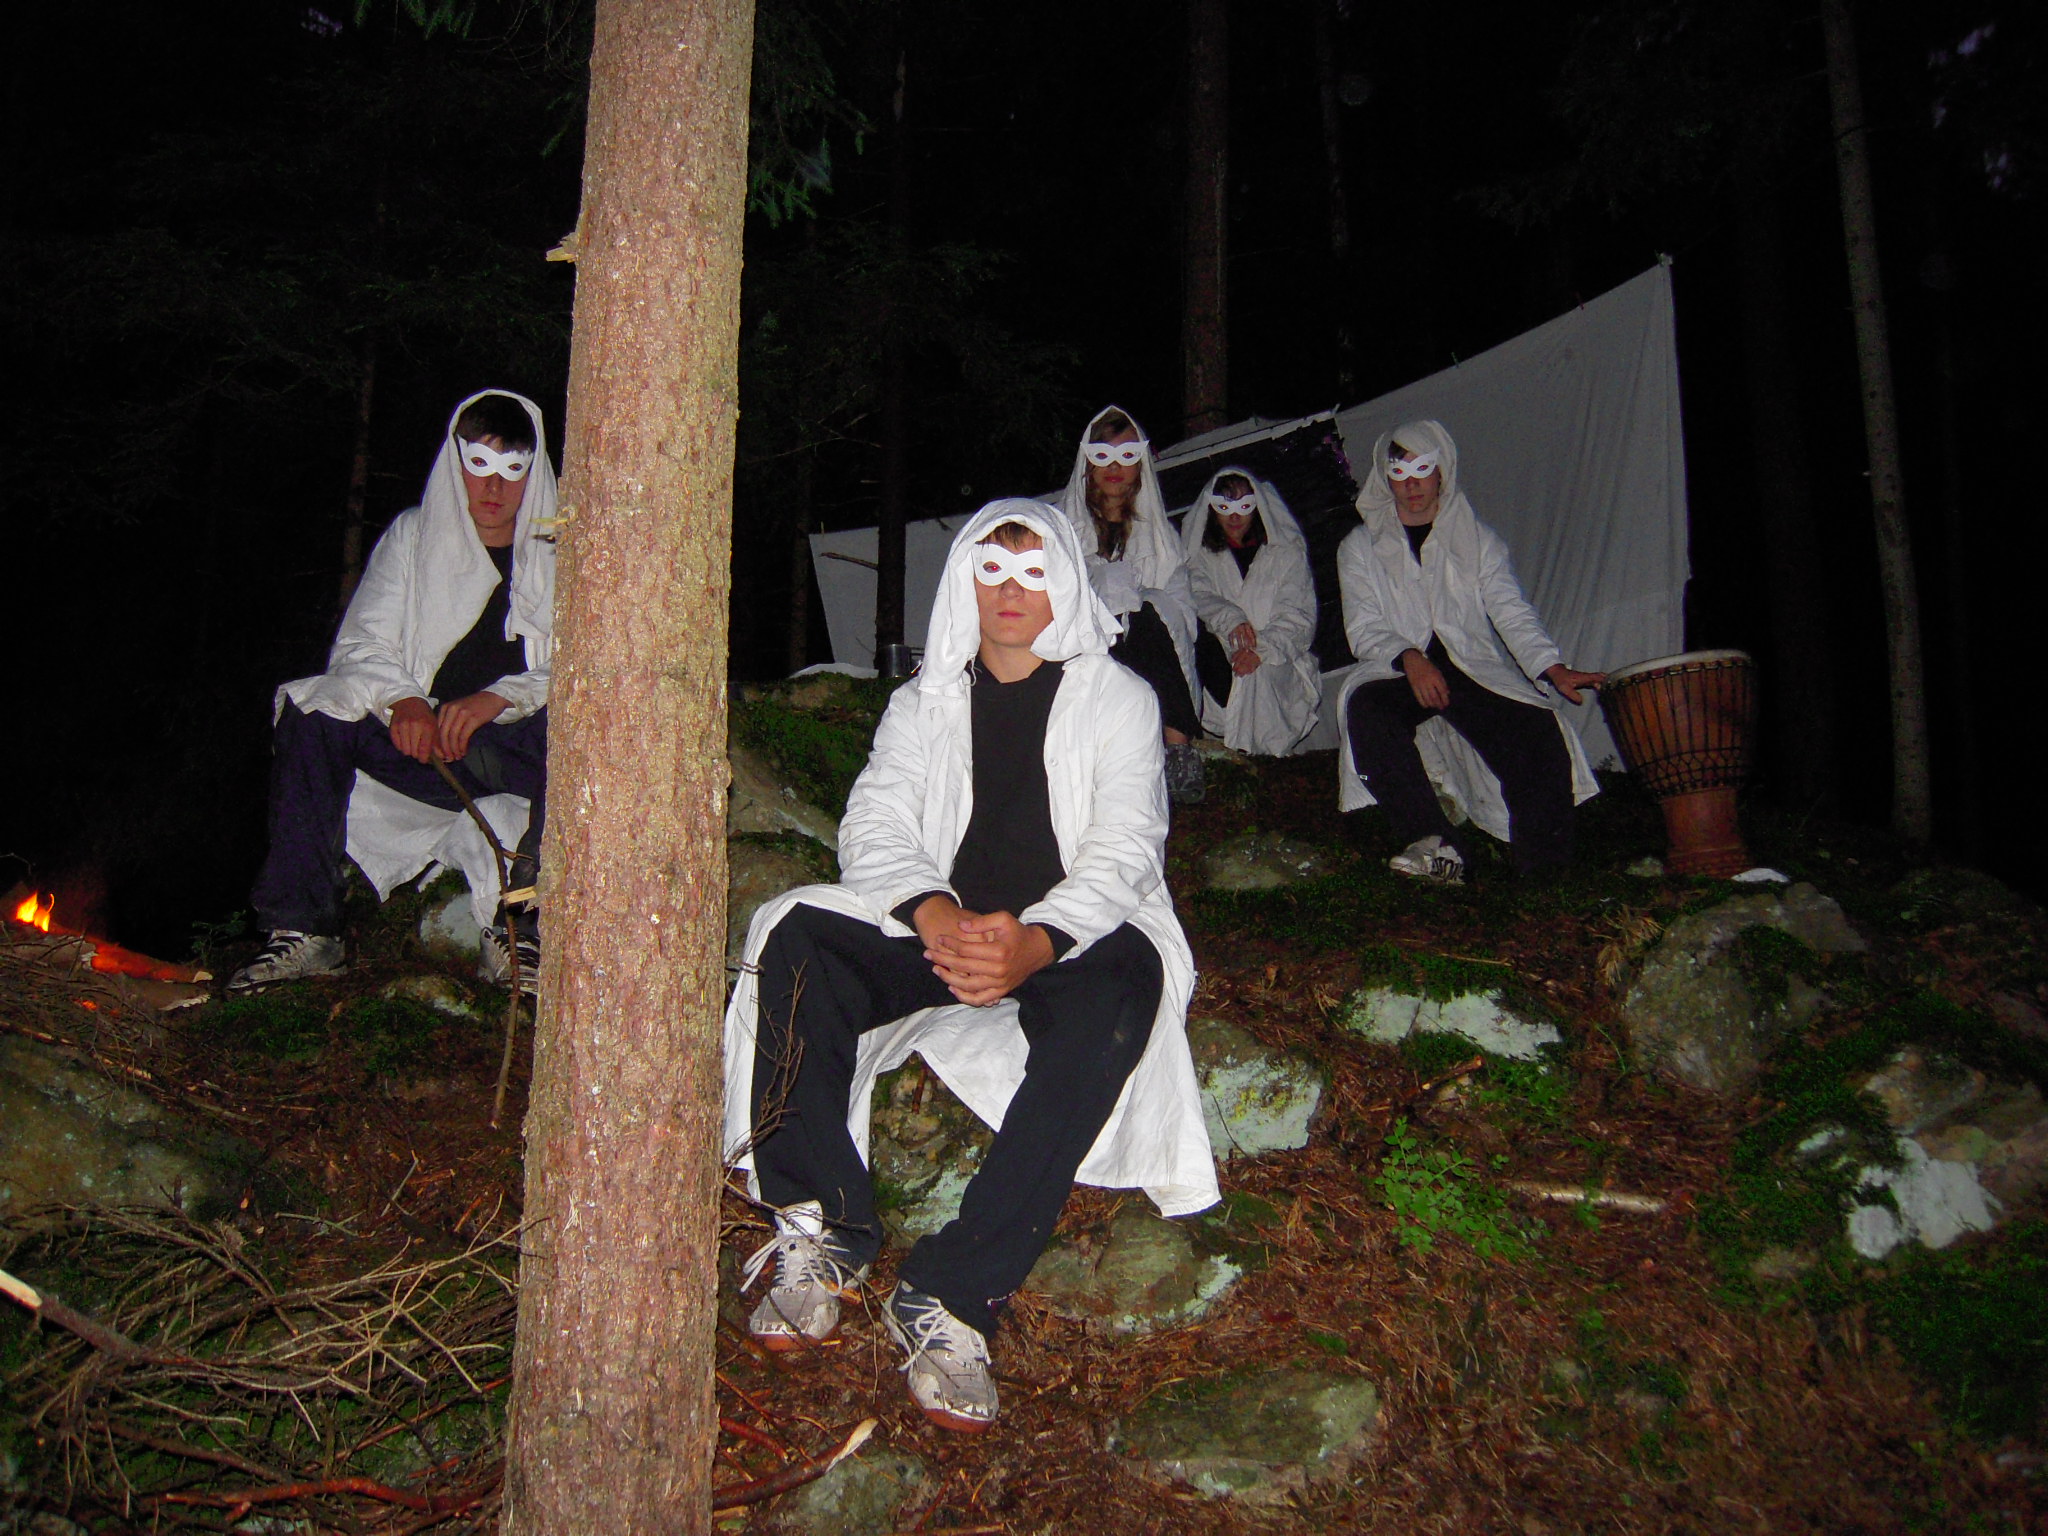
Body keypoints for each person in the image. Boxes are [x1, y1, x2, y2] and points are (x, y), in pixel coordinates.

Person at [721, 499, 1216, 1433]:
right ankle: (821, 1228)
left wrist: (1036, 939)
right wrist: (933, 913)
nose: (1011, 592)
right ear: (964, 582)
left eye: (1033, 572)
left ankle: (954, 1292)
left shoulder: (1119, 699)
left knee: (1128, 988)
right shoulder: (925, 700)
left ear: (1065, 582)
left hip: (1067, 935)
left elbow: (1126, 846)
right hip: (941, 931)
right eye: (992, 570)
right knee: (795, 936)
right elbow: (875, 821)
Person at [227, 390, 558, 994]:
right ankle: (304, 929)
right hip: (423, 753)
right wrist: (404, 701)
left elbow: (582, 671)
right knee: (315, 708)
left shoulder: (563, 558)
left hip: (515, 756)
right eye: (479, 463)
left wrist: (499, 699)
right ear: (454, 463)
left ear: (533, 474)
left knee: (577, 735)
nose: (494, 486)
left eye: (513, 468)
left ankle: (523, 932)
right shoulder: (414, 537)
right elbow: (363, 643)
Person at [1335, 419, 1603, 883]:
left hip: (1469, 669)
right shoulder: (1360, 547)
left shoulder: (1477, 539)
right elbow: (1364, 626)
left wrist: (1551, 667)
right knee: (1367, 708)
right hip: (1400, 672)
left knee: (1540, 730)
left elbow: (1510, 610)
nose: (1412, 484)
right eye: (1400, 472)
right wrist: (1410, 658)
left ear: (1442, 469)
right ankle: (1436, 845)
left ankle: (1545, 874)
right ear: (1385, 477)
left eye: (1422, 469)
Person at [1055, 405, 1206, 801]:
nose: (1114, 467)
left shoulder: (1158, 535)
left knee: (1148, 611)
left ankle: (1177, 749)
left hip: (1151, 651)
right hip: (1088, 647)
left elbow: (1181, 607)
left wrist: (1134, 606)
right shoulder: (1062, 529)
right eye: (1103, 455)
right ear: (1088, 461)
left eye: (1126, 455)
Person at [1180, 466, 1321, 757]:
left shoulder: (1285, 554)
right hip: (1222, 665)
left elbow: (1298, 615)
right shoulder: (1201, 558)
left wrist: (1261, 649)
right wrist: (1231, 620)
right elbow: (1197, 596)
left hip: (1280, 661)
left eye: (1244, 505)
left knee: (1259, 679)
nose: (1234, 516)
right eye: (1225, 506)